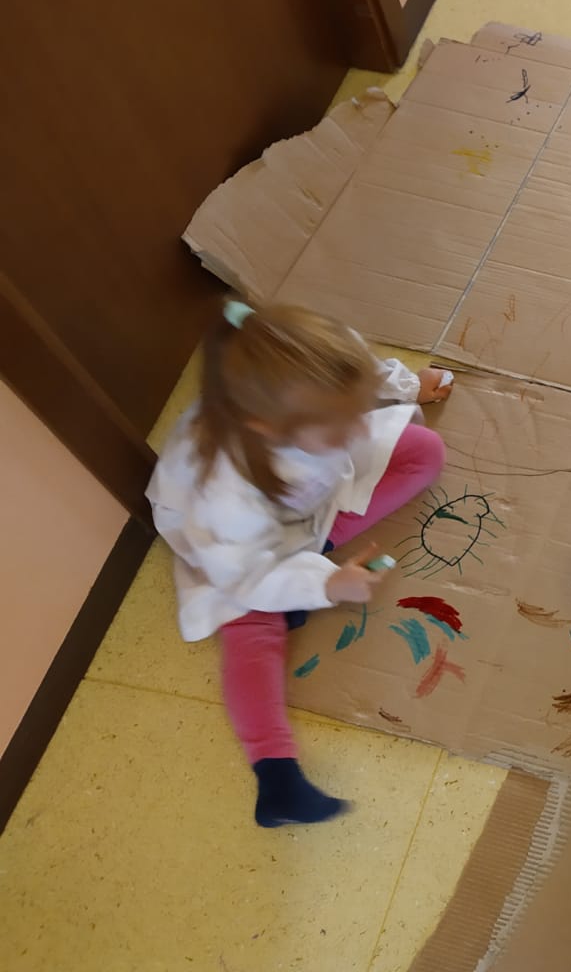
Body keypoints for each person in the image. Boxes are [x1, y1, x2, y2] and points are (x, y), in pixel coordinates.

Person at [147, 300, 453, 826]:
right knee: (250, 622)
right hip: (238, 557)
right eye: (339, 427)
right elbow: (247, 577)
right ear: (269, 428)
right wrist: (326, 587)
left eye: (357, 413)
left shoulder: (315, 391)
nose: (358, 430)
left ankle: (312, 554)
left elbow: (356, 366)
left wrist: (404, 388)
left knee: (424, 449)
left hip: (300, 508)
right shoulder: (223, 498)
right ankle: (276, 776)